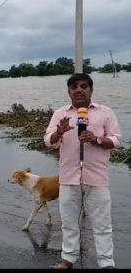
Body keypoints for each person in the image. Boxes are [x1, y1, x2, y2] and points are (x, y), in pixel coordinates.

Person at [44, 73, 121, 269]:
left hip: (97, 177)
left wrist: (96, 139)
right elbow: (48, 141)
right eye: (74, 87)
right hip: (68, 177)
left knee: (102, 225)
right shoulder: (60, 114)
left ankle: (106, 263)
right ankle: (68, 259)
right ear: (69, 91)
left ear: (90, 90)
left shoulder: (106, 112)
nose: (79, 90)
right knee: (69, 223)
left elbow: (116, 140)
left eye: (83, 86)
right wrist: (59, 133)